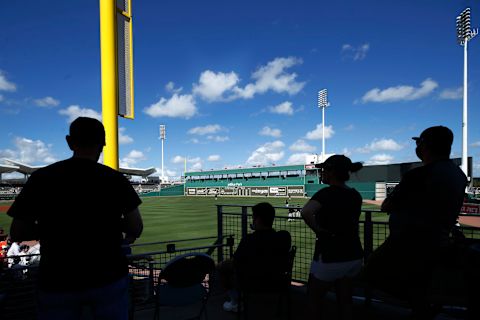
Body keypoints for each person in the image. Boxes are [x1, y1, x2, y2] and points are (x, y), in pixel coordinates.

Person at [7, 117, 143, 320]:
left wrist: (53, 227)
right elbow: (136, 227)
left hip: (57, 279)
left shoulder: (42, 178)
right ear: (102, 144)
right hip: (108, 276)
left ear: (69, 142)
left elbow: (18, 232)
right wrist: (106, 225)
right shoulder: (115, 179)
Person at [365, 126, 468, 319]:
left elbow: (387, 206)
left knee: (372, 271)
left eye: (419, 143)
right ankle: (423, 307)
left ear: (425, 145)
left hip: (408, 243)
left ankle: (422, 307)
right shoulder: (458, 174)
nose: (417, 147)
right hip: (439, 240)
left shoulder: (418, 174)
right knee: (422, 287)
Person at [301, 155, 364, 320]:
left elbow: (306, 212)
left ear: (331, 172)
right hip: (354, 254)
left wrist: (318, 230)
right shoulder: (355, 194)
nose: (322, 173)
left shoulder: (326, 193)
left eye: (324, 170)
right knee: (345, 300)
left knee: (314, 298)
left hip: (330, 255)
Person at [220, 202, 291, 313]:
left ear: (257, 219)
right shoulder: (284, 237)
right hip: (278, 283)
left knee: (223, 268)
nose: (252, 219)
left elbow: (235, 262)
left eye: (253, 217)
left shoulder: (248, 240)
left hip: (252, 284)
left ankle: (235, 302)